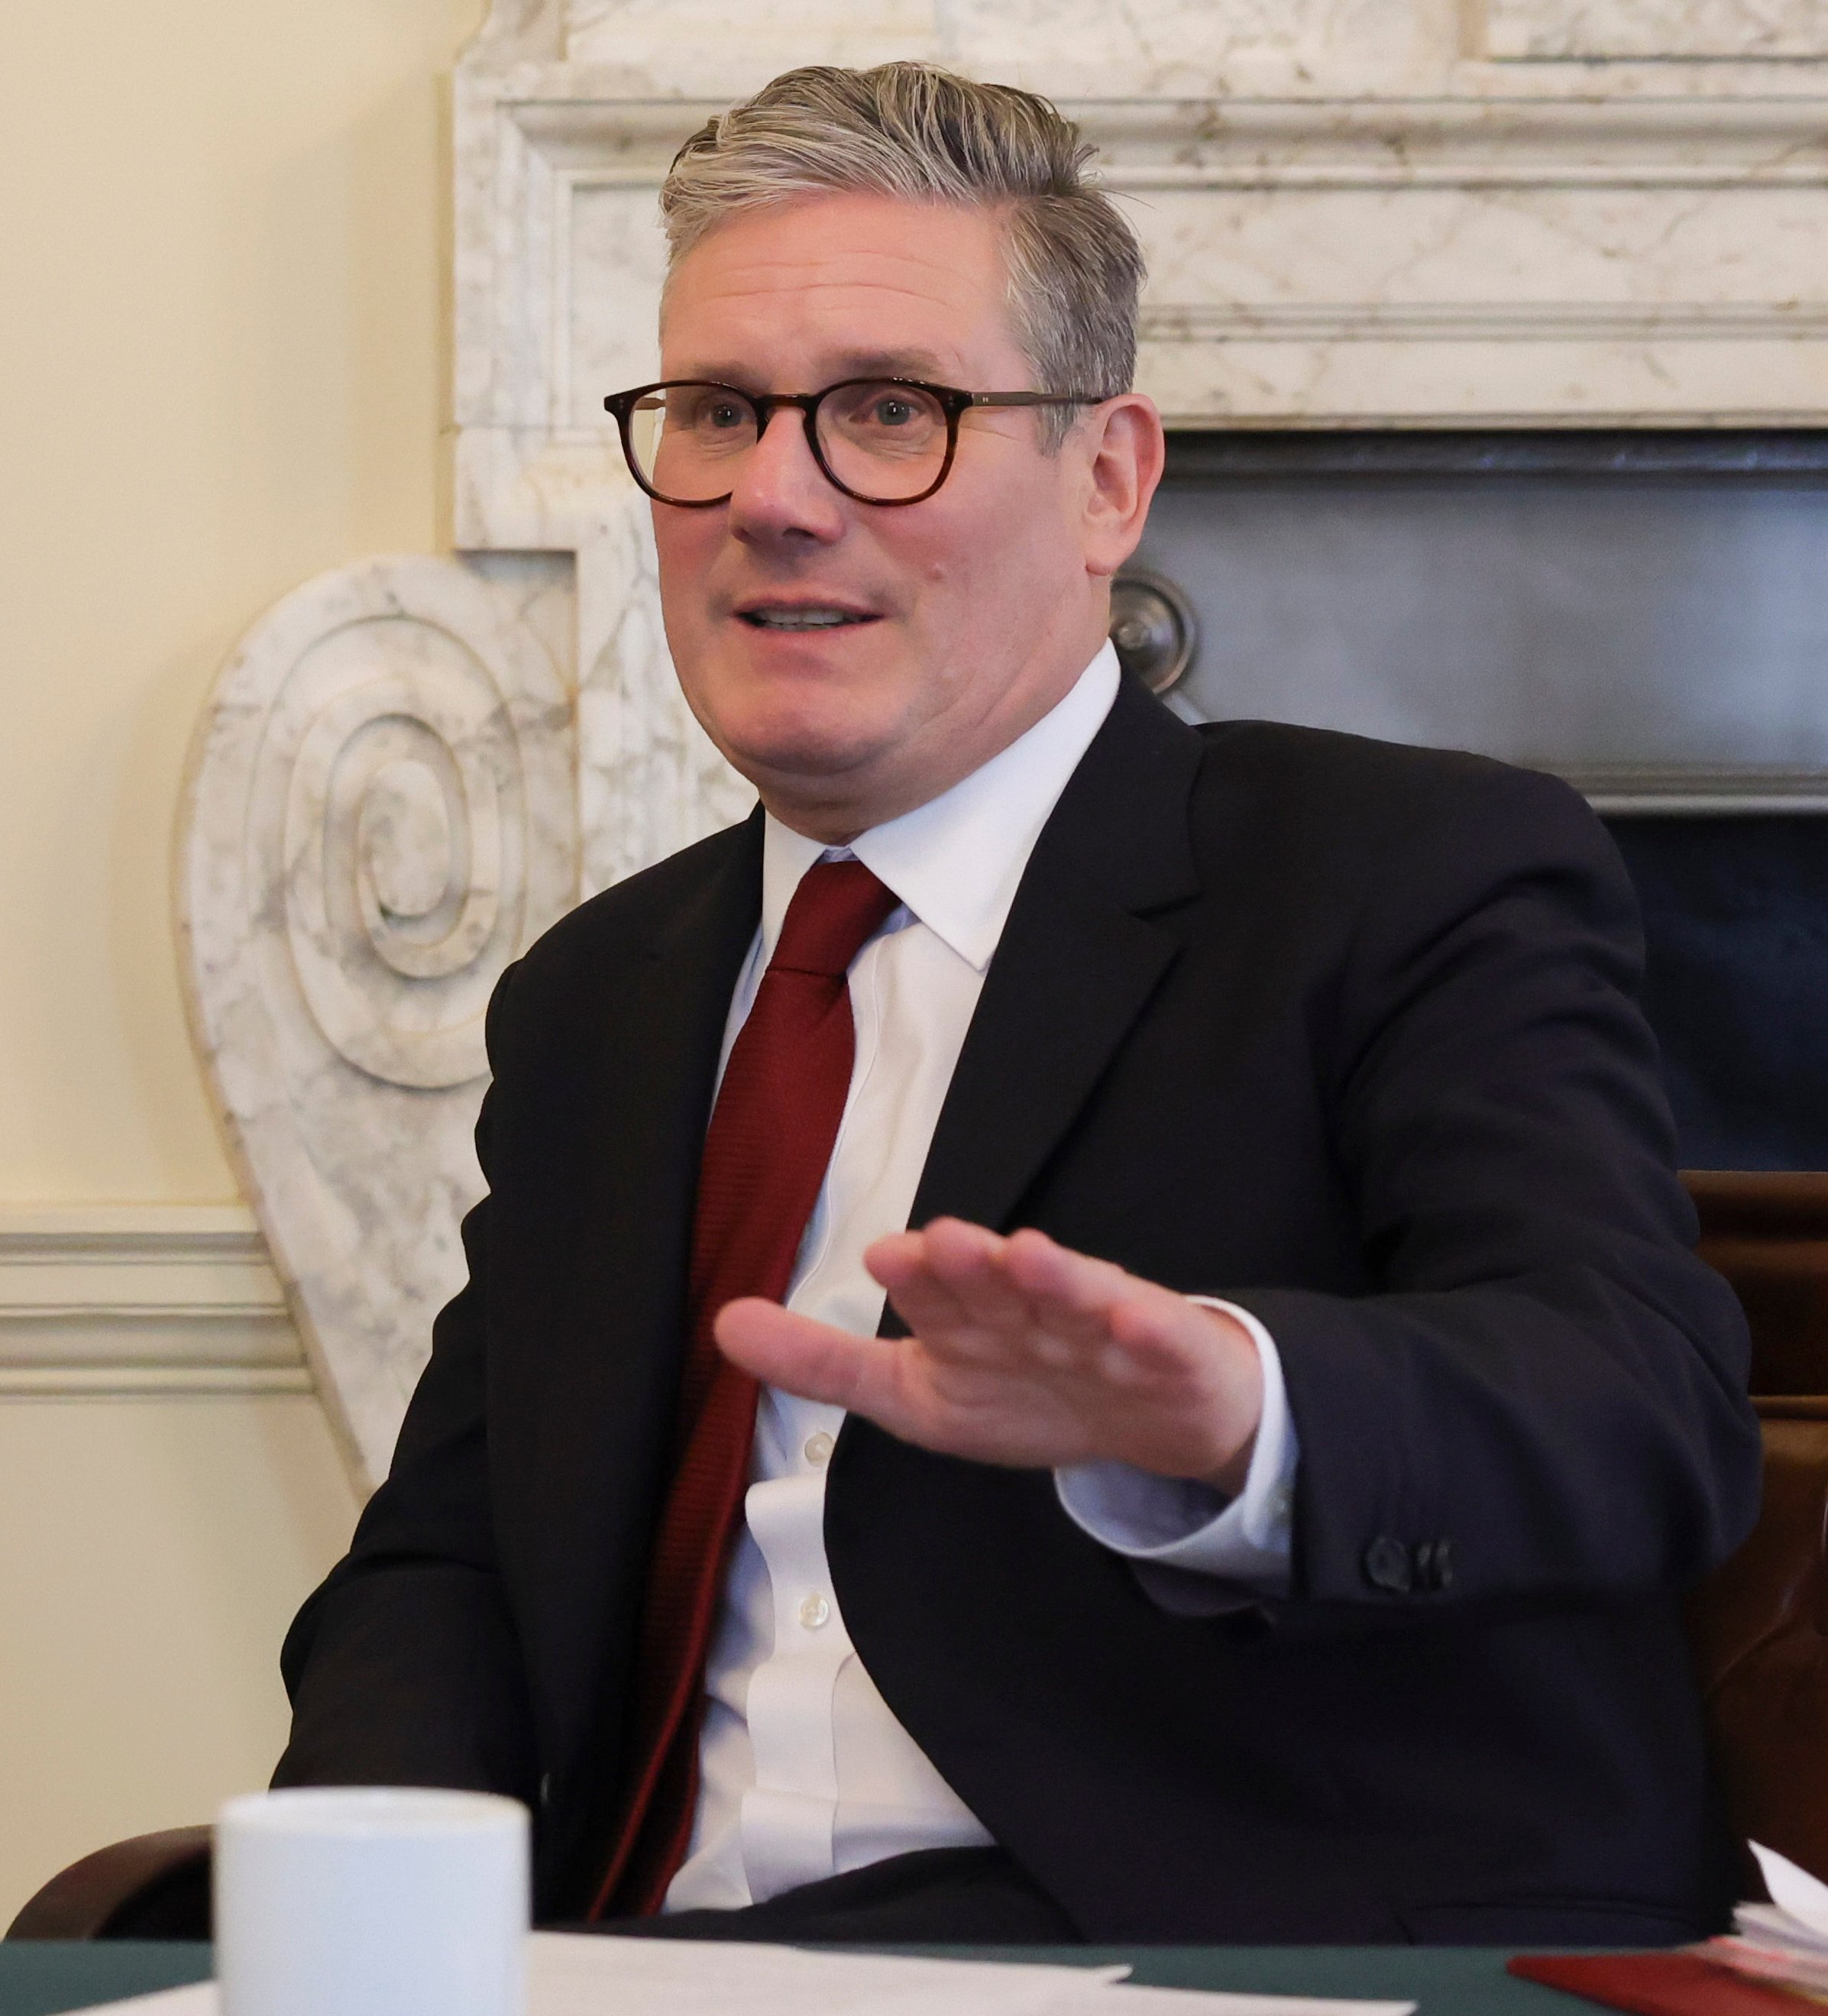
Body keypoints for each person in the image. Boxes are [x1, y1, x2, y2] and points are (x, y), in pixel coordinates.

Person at [274, 62, 1763, 1946]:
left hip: (1206, 1955)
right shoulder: (599, 1000)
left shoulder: (1401, 875)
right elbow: (455, 1568)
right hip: (639, 1969)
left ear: (1108, 482)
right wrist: (340, 1933)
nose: (776, 498)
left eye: (890, 412)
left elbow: (1642, 1411)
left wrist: (1238, 1406)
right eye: (717, 413)